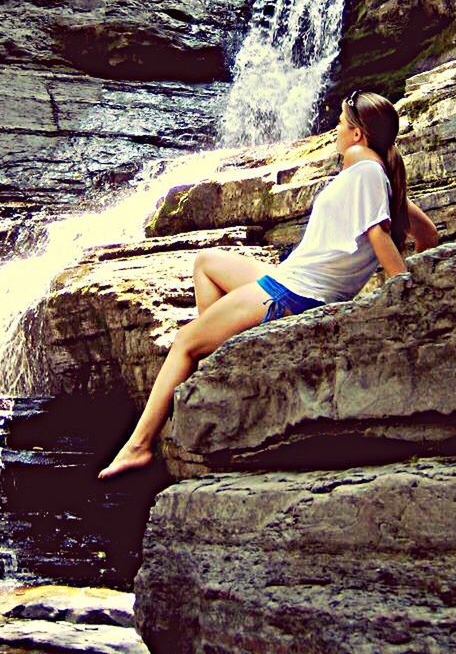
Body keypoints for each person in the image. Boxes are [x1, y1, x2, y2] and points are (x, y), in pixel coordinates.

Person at [98, 91, 438, 479]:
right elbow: (428, 236)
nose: (334, 132)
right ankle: (226, 356)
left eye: (341, 125)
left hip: (293, 293)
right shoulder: (383, 176)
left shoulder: (363, 166)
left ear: (358, 134)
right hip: (294, 281)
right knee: (207, 263)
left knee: (185, 342)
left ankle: (138, 445)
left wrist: (402, 292)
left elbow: (379, 234)